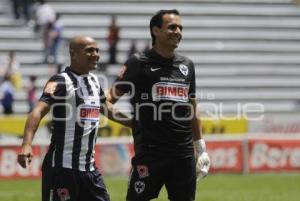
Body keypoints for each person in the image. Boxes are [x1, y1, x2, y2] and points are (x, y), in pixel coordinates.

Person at [106, 9, 211, 201]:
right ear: (155, 31)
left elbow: (191, 105)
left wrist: (200, 147)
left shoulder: (187, 65)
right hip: (150, 154)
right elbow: (107, 102)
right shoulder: (138, 63)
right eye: (171, 27)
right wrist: (131, 122)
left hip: (183, 155)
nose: (177, 31)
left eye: (180, 27)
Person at [17, 36, 130, 201]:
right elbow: (38, 111)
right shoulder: (61, 81)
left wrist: (135, 123)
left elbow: (107, 108)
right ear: (73, 54)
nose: (96, 54)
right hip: (62, 169)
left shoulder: (94, 81)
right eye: (89, 50)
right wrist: (26, 145)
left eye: (97, 50)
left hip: (89, 170)